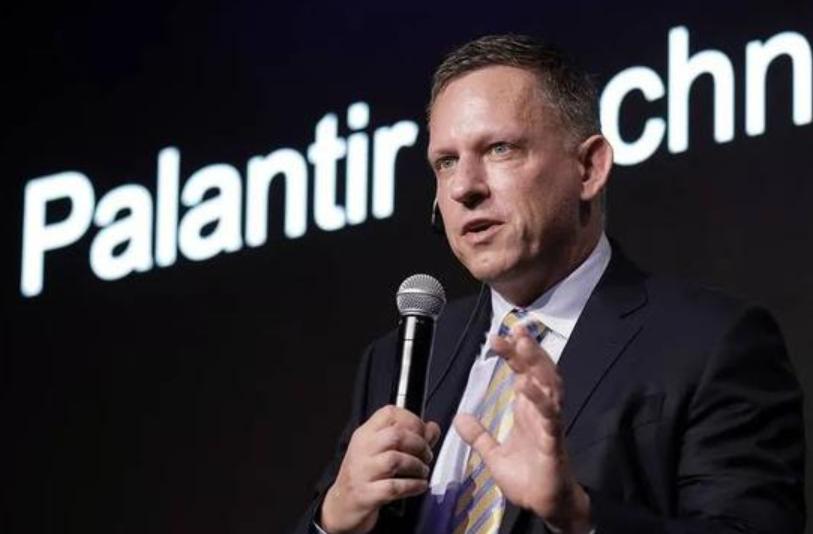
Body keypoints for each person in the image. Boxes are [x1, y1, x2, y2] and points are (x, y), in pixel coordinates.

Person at [294, 34, 805, 534]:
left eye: (499, 149)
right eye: (446, 162)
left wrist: (579, 517)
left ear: (589, 168)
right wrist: (335, 518)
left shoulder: (709, 342)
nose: (464, 187)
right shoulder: (398, 359)